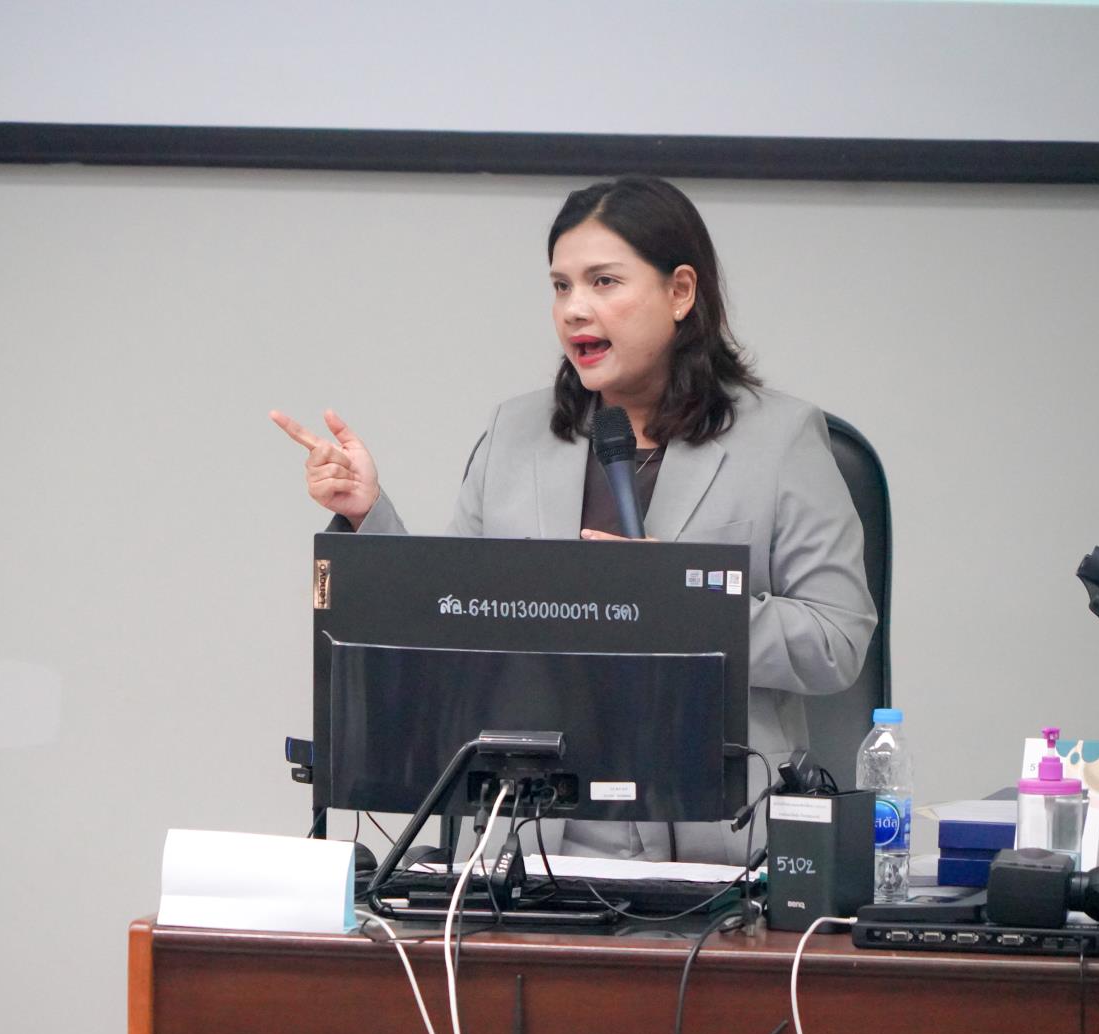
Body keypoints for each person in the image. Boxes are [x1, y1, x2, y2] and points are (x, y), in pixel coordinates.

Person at [270, 176, 875, 863]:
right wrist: (367, 514)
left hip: (719, 841)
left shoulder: (780, 440)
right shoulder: (516, 433)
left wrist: (680, 603)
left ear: (681, 291)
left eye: (603, 282)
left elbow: (838, 641)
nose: (575, 310)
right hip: (530, 841)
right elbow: (453, 626)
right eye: (561, 287)